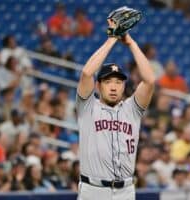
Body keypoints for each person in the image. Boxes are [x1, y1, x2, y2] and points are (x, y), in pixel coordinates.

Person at [75, 18, 155, 200]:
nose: (113, 87)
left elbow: (150, 80)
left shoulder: (132, 109)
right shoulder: (88, 106)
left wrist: (131, 43)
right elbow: (87, 73)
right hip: (93, 190)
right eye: (108, 81)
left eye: (118, 82)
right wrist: (112, 38)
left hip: (125, 191)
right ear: (98, 86)